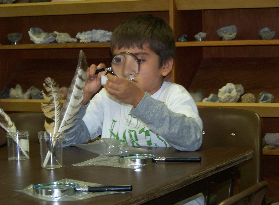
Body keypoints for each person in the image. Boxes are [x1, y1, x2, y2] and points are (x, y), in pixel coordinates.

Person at [63, 14, 203, 151]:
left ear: (165, 65)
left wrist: (139, 100)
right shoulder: (107, 97)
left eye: (140, 60)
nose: (127, 70)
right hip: (114, 173)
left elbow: (192, 140)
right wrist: (81, 97)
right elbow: (66, 140)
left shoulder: (174, 95)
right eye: (120, 60)